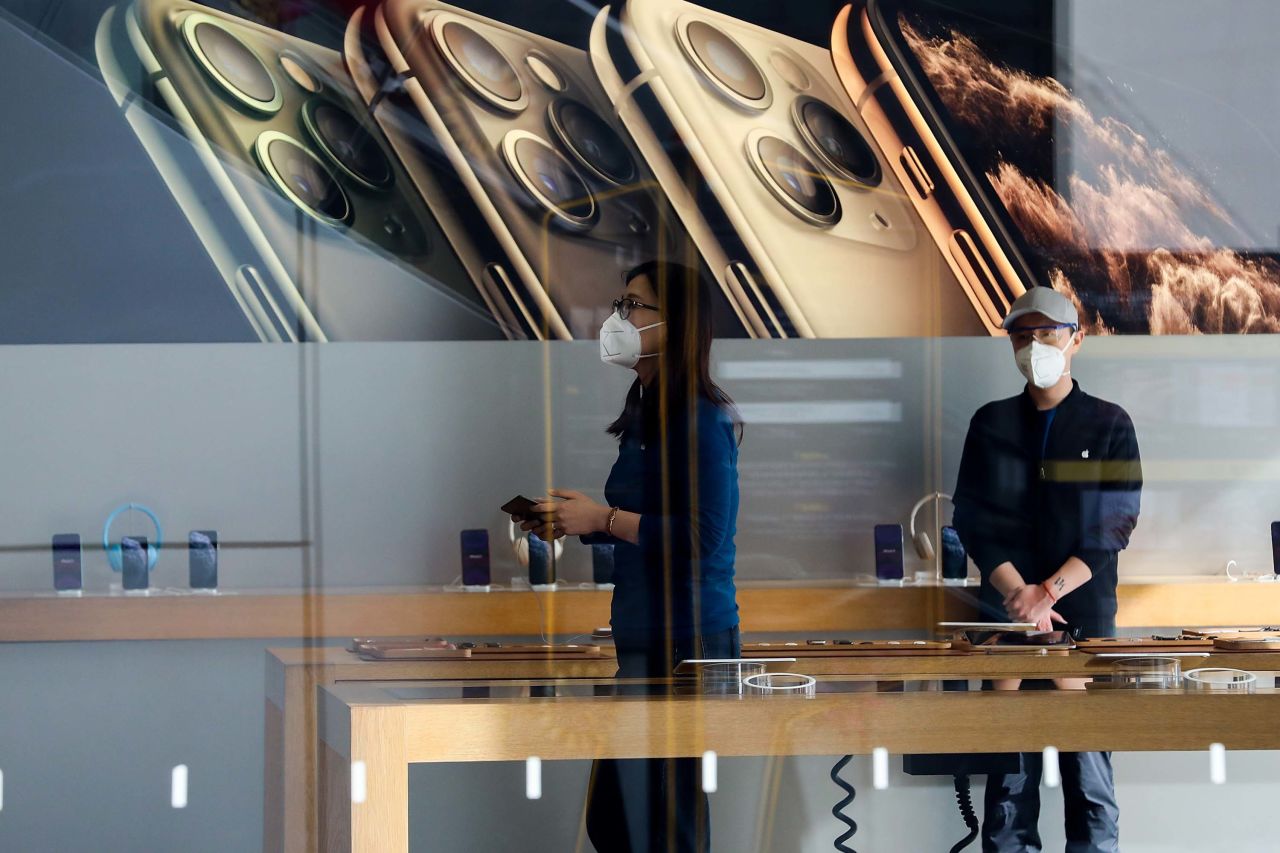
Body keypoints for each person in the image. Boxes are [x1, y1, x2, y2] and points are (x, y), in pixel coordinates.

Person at [518, 259, 742, 852]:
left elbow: (703, 538)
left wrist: (603, 518)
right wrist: (576, 523)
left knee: (665, 824)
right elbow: (639, 522)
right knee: (617, 821)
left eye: (633, 306)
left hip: (687, 637)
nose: (619, 318)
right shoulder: (646, 413)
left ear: (676, 323)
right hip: (644, 634)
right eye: (621, 305)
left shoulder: (701, 419)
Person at [952, 286, 1142, 853]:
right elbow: (973, 518)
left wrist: (1049, 593)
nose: (1035, 345)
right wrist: (1021, 597)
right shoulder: (990, 423)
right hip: (1007, 617)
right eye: (1022, 335)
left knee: (1090, 777)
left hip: (1083, 614)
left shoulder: (1109, 423)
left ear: (1076, 339)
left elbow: (1116, 524)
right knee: (1009, 780)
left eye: (1048, 333)